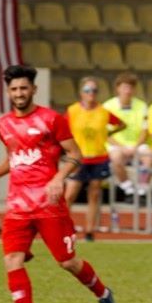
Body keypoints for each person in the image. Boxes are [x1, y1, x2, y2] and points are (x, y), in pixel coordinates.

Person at [0, 64, 116, 303]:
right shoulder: (4, 123)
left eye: (23, 88)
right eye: (14, 89)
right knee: (12, 259)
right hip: (17, 206)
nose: (19, 93)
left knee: (67, 262)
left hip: (48, 205)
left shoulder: (51, 119)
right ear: (8, 92)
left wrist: (58, 177)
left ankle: (102, 293)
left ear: (34, 89)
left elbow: (76, 154)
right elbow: (14, 157)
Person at [66, 76, 126, 241]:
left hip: (98, 157)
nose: (91, 93)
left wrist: (107, 135)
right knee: (70, 194)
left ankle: (90, 230)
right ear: (81, 93)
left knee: (94, 194)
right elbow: (64, 131)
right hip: (79, 157)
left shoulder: (102, 111)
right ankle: (63, 227)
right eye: (87, 90)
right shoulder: (73, 110)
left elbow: (121, 124)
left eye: (94, 90)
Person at [103, 72, 150, 199]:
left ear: (134, 89)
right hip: (116, 145)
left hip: (136, 144)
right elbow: (105, 134)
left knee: (148, 157)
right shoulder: (107, 106)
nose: (127, 91)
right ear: (118, 88)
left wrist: (135, 146)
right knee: (116, 157)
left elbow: (144, 131)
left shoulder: (142, 106)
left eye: (130, 87)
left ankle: (141, 190)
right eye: (124, 87)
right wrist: (122, 147)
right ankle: (127, 188)